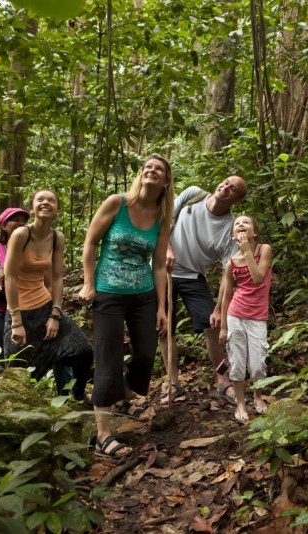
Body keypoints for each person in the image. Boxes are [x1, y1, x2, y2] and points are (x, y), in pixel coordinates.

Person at [79, 155, 173, 458]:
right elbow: (91, 242)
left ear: (165, 181)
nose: (151, 170)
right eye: (148, 166)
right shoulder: (116, 203)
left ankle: (118, 395)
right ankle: (103, 434)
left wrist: (162, 307)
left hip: (143, 294)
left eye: (158, 169)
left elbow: (159, 265)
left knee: (146, 355)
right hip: (109, 292)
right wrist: (89, 283)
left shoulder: (161, 216)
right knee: (109, 357)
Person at [160, 176, 247, 405]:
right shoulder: (193, 194)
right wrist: (167, 247)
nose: (226, 188)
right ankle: (172, 382)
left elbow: (228, 274)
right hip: (163, 269)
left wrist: (219, 308)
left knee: (213, 324)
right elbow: (164, 219)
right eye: (226, 182)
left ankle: (222, 380)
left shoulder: (231, 228)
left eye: (233, 189)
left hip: (192, 276)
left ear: (237, 201)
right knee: (163, 327)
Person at [3, 189, 92, 401]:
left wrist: (55, 312)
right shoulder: (21, 234)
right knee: (18, 375)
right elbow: (10, 277)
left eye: (51, 200)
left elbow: (57, 276)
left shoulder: (56, 238)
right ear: (32, 208)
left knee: (83, 351)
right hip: (19, 310)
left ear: (58, 211)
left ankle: (77, 395)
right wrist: (16, 321)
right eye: (40, 200)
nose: (45, 203)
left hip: (44, 305)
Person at [219, 215, 272, 423]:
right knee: (238, 361)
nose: (241, 225)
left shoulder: (263, 250)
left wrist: (248, 251)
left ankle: (258, 396)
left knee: (258, 363)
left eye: (246, 222)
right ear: (233, 235)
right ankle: (241, 403)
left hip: (257, 316)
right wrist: (223, 327)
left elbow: (258, 278)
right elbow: (226, 297)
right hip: (235, 314)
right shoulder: (231, 264)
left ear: (255, 232)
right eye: (237, 224)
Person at [0, 207, 30, 364]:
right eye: (16, 219)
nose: (21, 223)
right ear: (3, 225)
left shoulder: (32, 249)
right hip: (1, 310)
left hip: (28, 308)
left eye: (24, 221)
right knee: (2, 356)